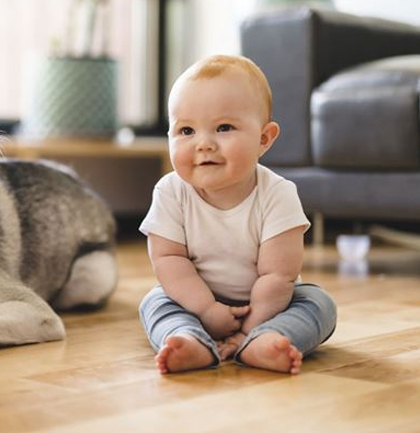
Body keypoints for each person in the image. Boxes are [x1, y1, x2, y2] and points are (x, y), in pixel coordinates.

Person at [138, 55, 337, 375]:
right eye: (186, 130)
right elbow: (168, 260)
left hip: (271, 305)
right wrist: (205, 309)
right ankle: (188, 339)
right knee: (155, 301)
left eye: (224, 127)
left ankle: (265, 340)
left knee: (319, 304)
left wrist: (249, 328)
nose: (203, 144)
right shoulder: (170, 192)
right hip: (193, 300)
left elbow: (278, 275)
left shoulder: (278, 194)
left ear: (264, 138)